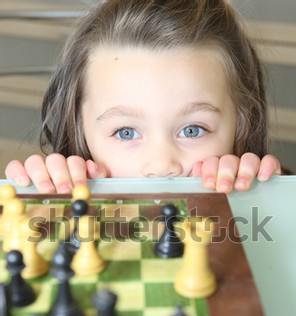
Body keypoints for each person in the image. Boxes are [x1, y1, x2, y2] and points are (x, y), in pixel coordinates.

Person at [5, 0, 281, 194]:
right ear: (80, 129)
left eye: (192, 130)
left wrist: (269, 201)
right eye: (125, 132)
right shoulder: (59, 214)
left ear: (243, 124)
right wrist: (41, 199)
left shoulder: (264, 203)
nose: (161, 166)